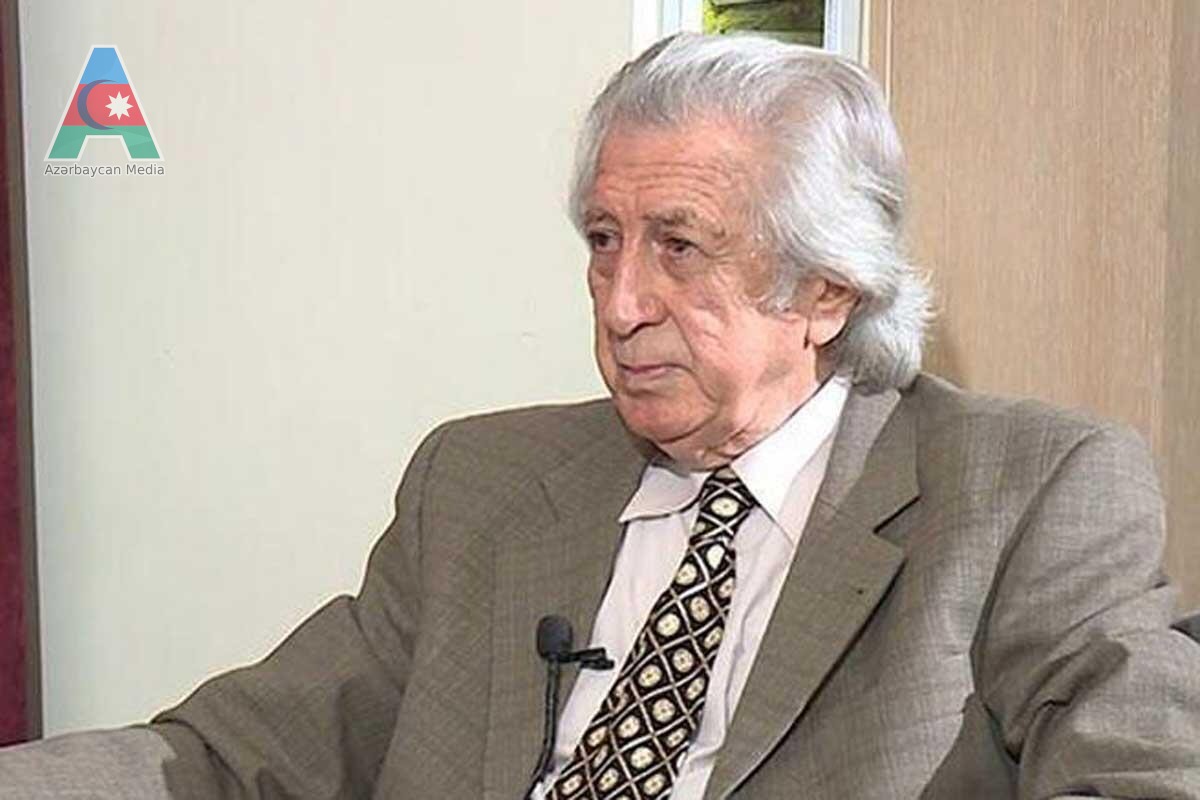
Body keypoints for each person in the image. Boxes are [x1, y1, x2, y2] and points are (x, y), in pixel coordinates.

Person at [3, 33, 1199, 800]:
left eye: (680, 246)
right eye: (604, 240)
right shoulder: (480, 481)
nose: (621, 303)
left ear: (827, 289)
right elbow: (235, 752)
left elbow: (1143, 770)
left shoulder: (1025, 489)